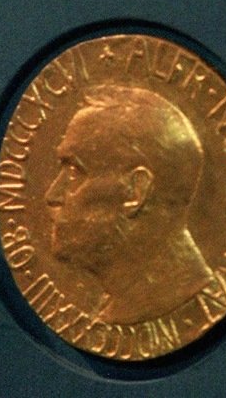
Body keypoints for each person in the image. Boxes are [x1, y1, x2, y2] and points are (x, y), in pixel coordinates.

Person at [45, 84, 215, 324]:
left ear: (136, 191)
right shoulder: (122, 305)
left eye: (75, 171)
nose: (52, 195)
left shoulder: (166, 299)